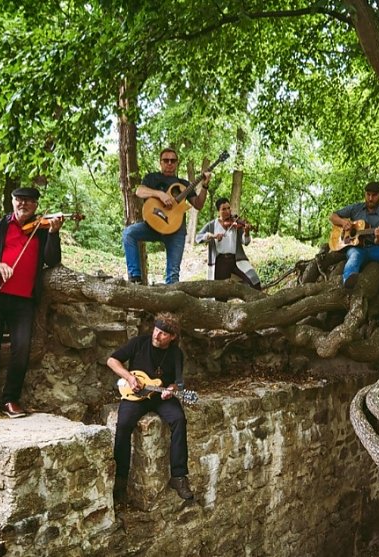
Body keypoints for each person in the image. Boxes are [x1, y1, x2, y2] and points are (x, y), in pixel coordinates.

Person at [0, 187, 64, 418]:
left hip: (24, 300)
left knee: (22, 348)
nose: (24, 204)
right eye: (20, 200)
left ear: (36, 205)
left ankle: (11, 399)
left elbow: (52, 260)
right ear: (12, 201)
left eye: (30, 201)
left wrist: (54, 233)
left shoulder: (41, 230)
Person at [108, 312, 194, 503]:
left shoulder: (175, 353)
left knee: (179, 419)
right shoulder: (139, 343)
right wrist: (129, 378)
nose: (157, 335)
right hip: (135, 395)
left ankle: (179, 476)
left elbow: (178, 384)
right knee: (123, 426)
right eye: (156, 330)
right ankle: (121, 480)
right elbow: (112, 360)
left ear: (172, 337)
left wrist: (170, 390)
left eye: (163, 333)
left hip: (160, 396)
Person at [122, 148, 210, 284]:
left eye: (173, 160)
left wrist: (205, 185)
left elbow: (198, 204)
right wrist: (160, 194)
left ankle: (169, 300)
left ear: (177, 163)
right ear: (161, 162)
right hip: (152, 226)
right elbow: (139, 191)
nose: (169, 163)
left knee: (173, 274)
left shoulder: (184, 185)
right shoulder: (151, 178)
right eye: (166, 160)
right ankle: (135, 278)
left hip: (176, 230)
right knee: (129, 233)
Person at [329, 181, 379, 305]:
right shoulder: (356, 208)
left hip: (375, 248)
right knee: (354, 256)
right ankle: (348, 282)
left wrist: (378, 238)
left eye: (374, 195)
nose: (370, 198)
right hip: (356, 248)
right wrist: (343, 222)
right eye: (368, 194)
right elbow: (332, 216)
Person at [195, 197, 261, 290]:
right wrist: (213, 236)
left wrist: (246, 232)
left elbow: (245, 242)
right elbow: (197, 238)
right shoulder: (212, 225)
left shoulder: (235, 223)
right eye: (224, 209)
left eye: (228, 208)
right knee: (221, 292)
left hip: (236, 260)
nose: (227, 211)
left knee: (254, 282)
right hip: (220, 262)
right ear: (218, 211)